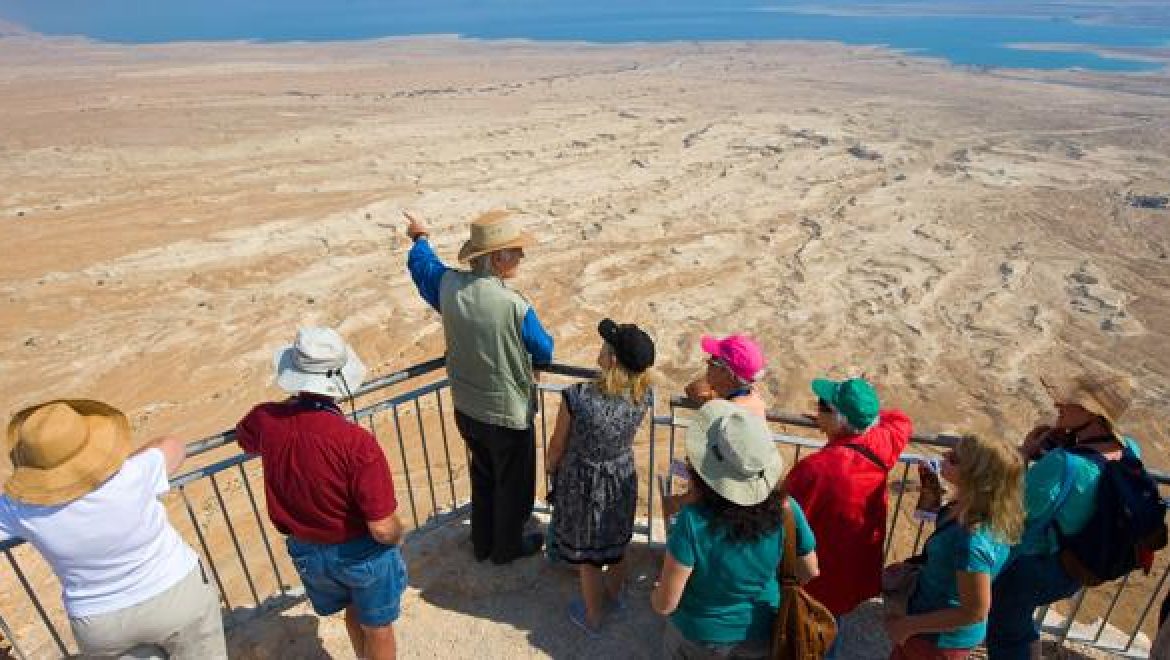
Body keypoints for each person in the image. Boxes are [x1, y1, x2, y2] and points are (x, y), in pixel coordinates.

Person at [0, 400, 226, 658]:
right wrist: (102, 470)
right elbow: (173, 445)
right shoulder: (133, 473)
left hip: (101, 623)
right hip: (176, 595)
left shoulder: (21, 508)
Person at [236, 327, 406, 660]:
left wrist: (293, 403)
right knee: (379, 626)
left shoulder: (266, 420)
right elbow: (382, 527)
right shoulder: (356, 442)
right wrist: (399, 536)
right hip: (360, 552)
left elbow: (245, 438)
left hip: (309, 552)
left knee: (353, 612)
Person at [405, 209, 554, 564]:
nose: (521, 256)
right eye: (515, 250)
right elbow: (544, 349)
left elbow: (423, 268)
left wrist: (419, 238)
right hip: (507, 414)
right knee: (514, 484)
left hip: (466, 407)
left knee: (483, 475)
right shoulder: (515, 305)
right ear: (497, 257)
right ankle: (506, 548)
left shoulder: (448, 287)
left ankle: (482, 542)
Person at [986, 373, 1138, 660]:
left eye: (1070, 402)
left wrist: (1023, 454)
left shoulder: (1064, 464)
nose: (1059, 404)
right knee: (1019, 624)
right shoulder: (1129, 449)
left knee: (1005, 631)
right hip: (1080, 563)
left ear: (1090, 414)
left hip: (1038, 567)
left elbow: (1013, 507)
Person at [652, 400, 819, 659]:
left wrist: (655, 594)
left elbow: (666, 604)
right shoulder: (787, 510)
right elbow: (809, 571)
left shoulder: (692, 521)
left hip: (699, 636)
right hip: (762, 629)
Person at [784, 376, 913, 657]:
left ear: (839, 420)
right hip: (856, 572)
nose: (817, 411)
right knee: (834, 627)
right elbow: (900, 420)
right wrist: (863, 407)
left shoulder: (815, 470)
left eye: (822, 406)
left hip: (819, 579)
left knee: (809, 637)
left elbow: (783, 519)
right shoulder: (884, 442)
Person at [545, 318, 655, 635]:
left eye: (607, 345)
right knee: (617, 544)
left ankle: (593, 617)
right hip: (621, 476)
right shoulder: (643, 396)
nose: (602, 347)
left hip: (583, 481)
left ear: (613, 359)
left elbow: (557, 444)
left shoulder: (577, 397)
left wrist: (551, 468)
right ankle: (615, 596)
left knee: (588, 559)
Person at [885, 434, 1025, 659]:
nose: (944, 456)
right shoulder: (966, 508)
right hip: (928, 623)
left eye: (954, 459)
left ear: (976, 477)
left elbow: (975, 611)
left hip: (937, 641)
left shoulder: (973, 542)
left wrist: (908, 626)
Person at [684, 334, 767, 418]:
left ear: (728, 373)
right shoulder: (753, 398)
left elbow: (693, 390)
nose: (707, 362)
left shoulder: (725, 414)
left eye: (713, 360)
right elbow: (693, 390)